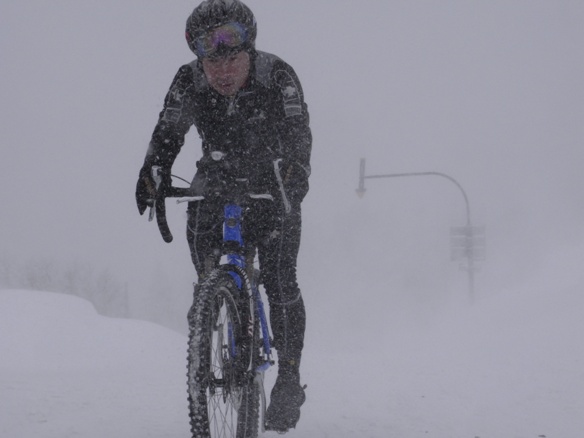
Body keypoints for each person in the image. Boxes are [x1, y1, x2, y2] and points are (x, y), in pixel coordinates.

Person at [135, 0, 311, 432]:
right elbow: (168, 130)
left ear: (250, 49)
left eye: (232, 56)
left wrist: (294, 175)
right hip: (213, 182)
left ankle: (287, 378)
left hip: (271, 185)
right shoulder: (188, 80)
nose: (223, 70)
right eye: (211, 60)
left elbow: (299, 136)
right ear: (199, 59)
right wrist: (153, 172)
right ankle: (218, 307)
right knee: (206, 275)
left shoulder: (278, 76)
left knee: (279, 280)